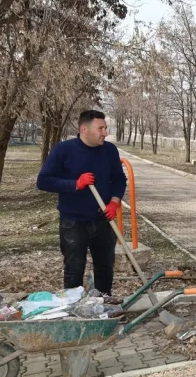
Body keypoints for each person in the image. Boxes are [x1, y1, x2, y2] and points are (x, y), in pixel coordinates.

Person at [37, 110, 127, 296]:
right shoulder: (63, 150)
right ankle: (74, 312)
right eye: (100, 128)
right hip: (73, 222)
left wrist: (114, 202)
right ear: (84, 129)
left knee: (105, 268)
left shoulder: (109, 150)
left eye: (105, 128)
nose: (105, 132)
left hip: (103, 220)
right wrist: (75, 184)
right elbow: (43, 180)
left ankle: (103, 308)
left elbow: (119, 180)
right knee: (74, 269)